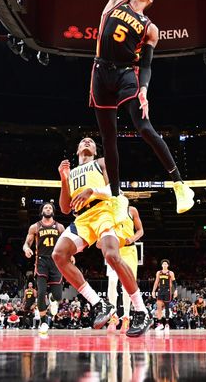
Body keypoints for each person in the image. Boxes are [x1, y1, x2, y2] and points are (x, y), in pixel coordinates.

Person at [90, 0, 194, 214]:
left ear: (149, 0)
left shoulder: (150, 28)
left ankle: (180, 186)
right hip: (101, 71)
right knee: (108, 137)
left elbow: (146, 64)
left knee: (144, 128)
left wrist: (145, 90)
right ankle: (115, 195)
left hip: (127, 74)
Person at [52, 137, 152, 337]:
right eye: (83, 141)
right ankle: (99, 304)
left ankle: (141, 311)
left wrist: (92, 191)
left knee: (112, 256)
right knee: (58, 255)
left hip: (104, 211)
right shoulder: (71, 173)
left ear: (95, 151)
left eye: (91, 141)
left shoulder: (102, 163)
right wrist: (64, 179)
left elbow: (113, 190)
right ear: (78, 149)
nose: (87, 142)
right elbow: (64, 208)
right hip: (82, 219)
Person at [23, 203, 65, 334]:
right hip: (41, 261)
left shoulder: (59, 227)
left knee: (58, 296)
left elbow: (66, 243)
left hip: (56, 262)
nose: (48, 209)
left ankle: (53, 300)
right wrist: (26, 249)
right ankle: (43, 322)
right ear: (42, 211)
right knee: (41, 293)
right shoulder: (35, 227)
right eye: (46, 208)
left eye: (50, 208)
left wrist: (70, 256)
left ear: (53, 211)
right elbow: (26, 243)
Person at [105, 203, 144, 333]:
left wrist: (132, 238)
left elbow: (140, 230)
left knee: (126, 285)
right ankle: (113, 316)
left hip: (129, 250)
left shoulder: (132, 210)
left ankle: (126, 317)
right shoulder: (107, 211)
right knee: (111, 281)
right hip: (114, 250)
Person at [151, 260, 174, 332]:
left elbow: (174, 282)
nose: (164, 265)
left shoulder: (170, 273)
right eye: (163, 264)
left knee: (167, 307)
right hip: (160, 291)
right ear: (162, 265)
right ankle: (160, 324)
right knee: (159, 308)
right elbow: (156, 282)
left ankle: (167, 324)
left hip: (167, 291)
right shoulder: (159, 272)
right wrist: (153, 291)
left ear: (168, 265)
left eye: (166, 264)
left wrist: (175, 290)